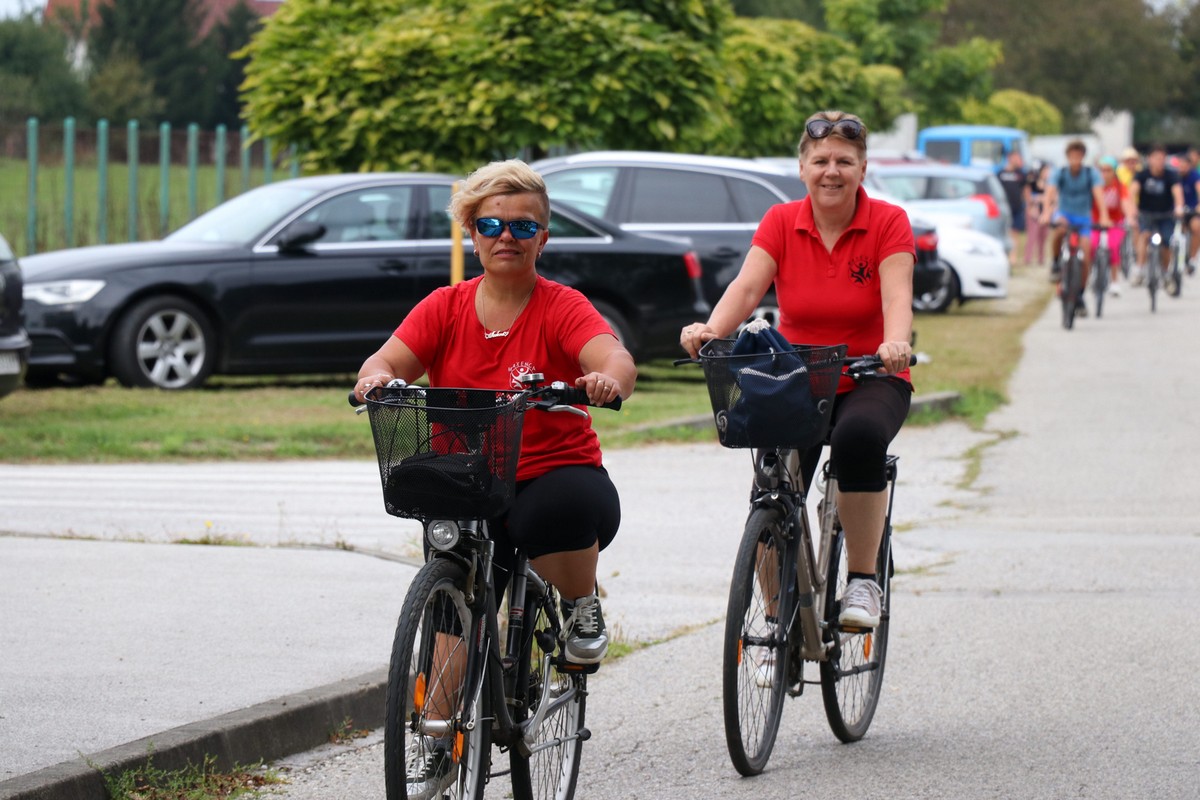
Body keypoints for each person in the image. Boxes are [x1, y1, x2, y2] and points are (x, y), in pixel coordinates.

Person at [355, 158, 636, 668]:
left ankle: (580, 603)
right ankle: (438, 743)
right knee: (450, 607)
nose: (506, 236)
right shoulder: (444, 306)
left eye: (523, 226)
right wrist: (374, 378)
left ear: (543, 238)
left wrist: (606, 379)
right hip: (467, 478)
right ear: (472, 232)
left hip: (551, 473)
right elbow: (387, 359)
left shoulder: (561, 306)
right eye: (490, 224)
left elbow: (613, 357)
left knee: (551, 510)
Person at [680, 110, 915, 630]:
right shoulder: (782, 221)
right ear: (803, 167)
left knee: (857, 438)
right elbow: (746, 288)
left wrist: (894, 342)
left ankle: (862, 581)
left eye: (845, 161)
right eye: (822, 161)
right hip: (799, 376)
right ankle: (772, 614)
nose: (833, 171)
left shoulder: (887, 222)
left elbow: (897, 294)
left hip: (871, 374)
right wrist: (711, 330)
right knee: (772, 483)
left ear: (863, 167)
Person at [1041, 140, 1110, 316]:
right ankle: (1056, 262)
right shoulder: (1060, 172)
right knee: (1059, 230)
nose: (1075, 158)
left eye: (1078, 155)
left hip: (1083, 217)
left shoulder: (1090, 174)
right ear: (1067, 156)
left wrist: (1103, 215)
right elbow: (1050, 192)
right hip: (1064, 213)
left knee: (1086, 257)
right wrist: (1047, 212)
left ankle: (1079, 294)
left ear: (1083, 156)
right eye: (1072, 155)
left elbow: (1098, 194)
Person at [1130, 144, 1185, 285]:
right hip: (1146, 213)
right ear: (1149, 159)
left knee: (1167, 242)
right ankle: (1140, 269)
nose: (1159, 161)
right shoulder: (1142, 174)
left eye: (1162, 158)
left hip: (1166, 215)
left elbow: (1177, 192)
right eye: (1156, 158)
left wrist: (1179, 207)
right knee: (1144, 236)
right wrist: (1132, 209)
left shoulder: (1170, 175)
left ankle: (1166, 272)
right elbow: (1132, 192)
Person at [1091, 156, 1135, 296]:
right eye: (1101, 170)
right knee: (1091, 244)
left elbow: (1125, 202)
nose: (1104, 174)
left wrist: (1129, 217)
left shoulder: (1119, 186)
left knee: (1113, 246)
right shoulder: (1093, 186)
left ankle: (1114, 281)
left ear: (1114, 172)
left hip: (1115, 223)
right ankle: (1093, 272)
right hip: (1095, 223)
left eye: (1108, 170)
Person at [997, 150, 1027, 265]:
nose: (1017, 160)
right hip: (1004, 208)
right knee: (1005, 231)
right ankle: (1004, 255)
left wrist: (1028, 206)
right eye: (1015, 157)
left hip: (1017, 207)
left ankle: (1013, 257)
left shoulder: (1020, 174)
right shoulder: (1000, 174)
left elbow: (1026, 190)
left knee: (1015, 232)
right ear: (1009, 158)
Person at [1025, 161, 1052, 267]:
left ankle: (1041, 258)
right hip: (1033, 212)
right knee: (1032, 235)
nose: (1047, 173)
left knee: (1043, 236)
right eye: (1045, 171)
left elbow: (1052, 198)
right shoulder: (1032, 182)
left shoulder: (1050, 184)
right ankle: (1028, 258)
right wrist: (1037, 201)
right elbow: (1027, 196)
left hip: (1045, 212)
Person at [1181, 146, 1200, 274]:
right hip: (1178, 212)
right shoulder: (1174, 176)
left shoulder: (1195, 175)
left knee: (1197, 227)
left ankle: (1192, 258)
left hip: (1192, 210)